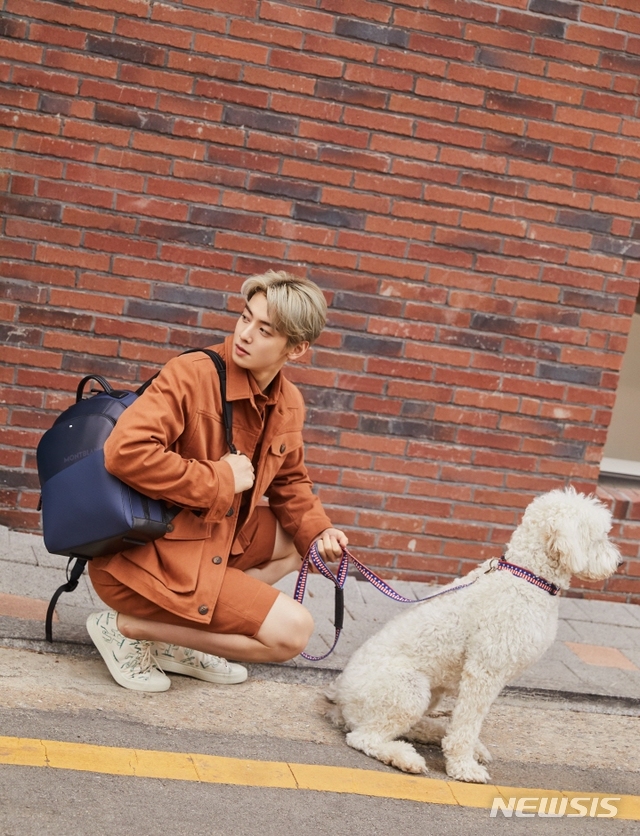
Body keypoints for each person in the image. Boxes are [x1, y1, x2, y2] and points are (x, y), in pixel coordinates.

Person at [86, 270, 348, 692]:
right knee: (293, 634)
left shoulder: (289, 403)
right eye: (245, 318)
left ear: (296, 349)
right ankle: (130, 628)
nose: (245, 334)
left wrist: (321, 532)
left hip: (214, 542)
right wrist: (220, 478)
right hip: (152, 560)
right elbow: (125, 453)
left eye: (265, 330)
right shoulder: (192, 374)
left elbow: (292, 483)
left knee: (301, 543)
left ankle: (180, 642)